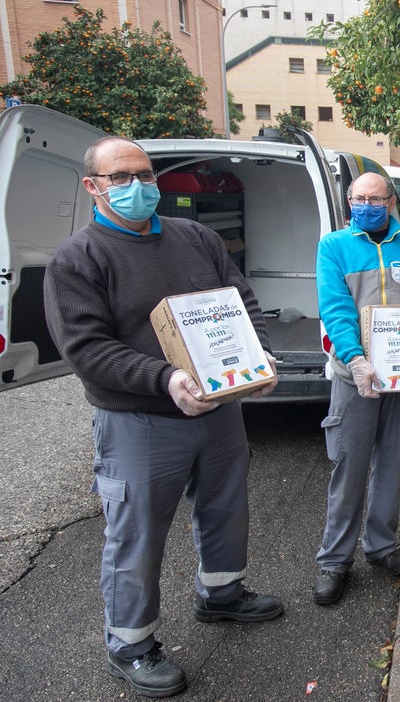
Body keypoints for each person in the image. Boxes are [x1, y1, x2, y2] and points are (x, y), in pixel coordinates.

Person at [43, 137, 284, 698]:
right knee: (137, 535)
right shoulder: (77, 259)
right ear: (93, 188)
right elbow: (87, 349)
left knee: (226, 507)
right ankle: (130, 643)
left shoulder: (195, 237)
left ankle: (221, 594)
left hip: (218, 410)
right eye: (121, 177)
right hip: (140, 420)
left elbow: (239, 298)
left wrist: (258, 351)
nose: (138, 186)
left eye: (145, 175)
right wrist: (166, 379)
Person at [312, 171, 400, 607]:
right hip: (356, 375)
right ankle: (335, 560)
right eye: (358, 198)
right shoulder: (334, 247)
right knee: (348, 466)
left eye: (375, 198)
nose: (366, 205)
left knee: (392, 461)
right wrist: (356, 359)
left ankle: (382, 547)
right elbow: (335, 308)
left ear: (391, 202)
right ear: (349, 201)